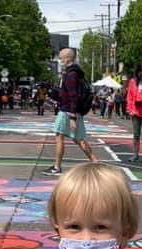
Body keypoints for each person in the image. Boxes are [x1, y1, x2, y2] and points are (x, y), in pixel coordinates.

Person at [42, 48, 97, 176]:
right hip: (72, 111)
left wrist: (72, 117)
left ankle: (57, 167)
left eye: (61, 58)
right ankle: (96, 162)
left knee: (59, 136)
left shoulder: (71, 74)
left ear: (68, 58)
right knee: (79, 139)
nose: (60, 60)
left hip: (67, 111)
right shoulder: (75, 73)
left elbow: (73, 96)